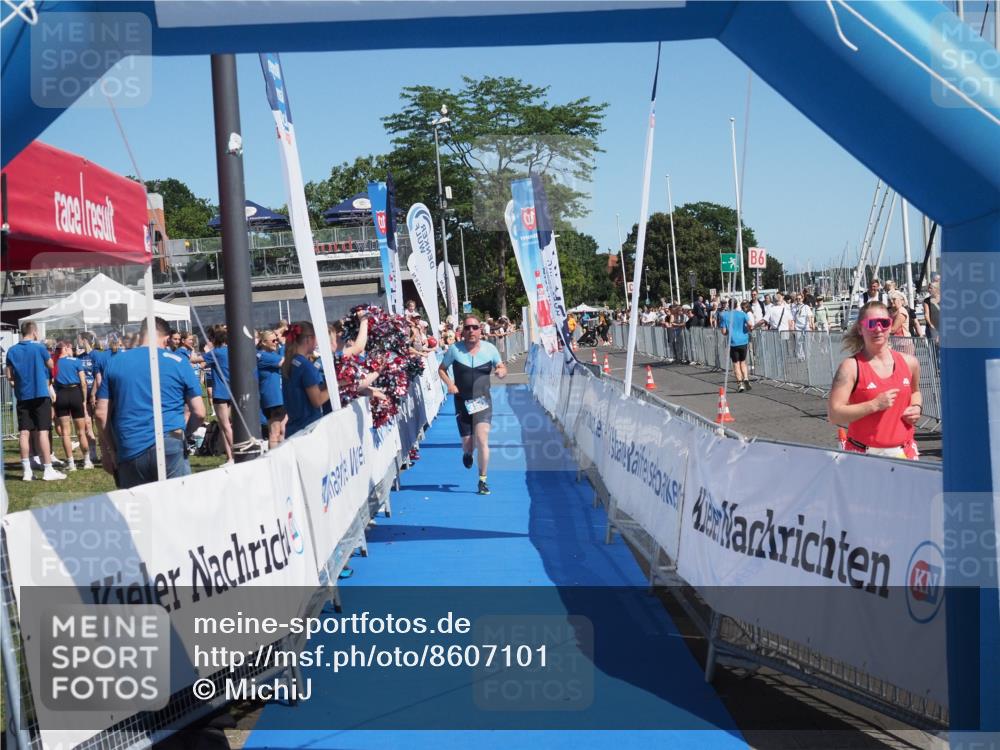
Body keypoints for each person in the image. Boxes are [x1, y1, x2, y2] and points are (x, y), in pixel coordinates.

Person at [94, 317, 206, 488]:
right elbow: (199, 412)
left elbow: (101, 414)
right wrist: (185, 433)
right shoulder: (179, 362)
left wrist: (109, 450)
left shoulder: (115, 362)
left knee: (138, 510)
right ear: (166, 338)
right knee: (176, 506)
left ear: (140, 334)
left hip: (129, 444)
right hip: (170, 441)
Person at [827, 301, 921, 460]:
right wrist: (874, 405)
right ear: (860, 328)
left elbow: (916, 392)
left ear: (890, 326)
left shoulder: (910, 362)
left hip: (905, 452)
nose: (878, 329)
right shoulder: (851, 367)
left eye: (884, 323)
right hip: (864, 456)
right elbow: (834, 414)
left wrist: (917, 407)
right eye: (871, 324)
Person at [437, 315, 507, 495]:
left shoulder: (490, 349)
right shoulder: (454, 350)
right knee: (469, 445)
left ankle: (482, 481)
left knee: (482, 439)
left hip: (483, 402)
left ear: (480, 330)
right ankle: (467, 454)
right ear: (462, 331)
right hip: (462, 402)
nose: (471, 331)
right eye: (467, 328)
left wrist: (501, 371)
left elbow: (501, 366)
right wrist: (450, 384)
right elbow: (441, 370)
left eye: (474, 327)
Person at [5, 322, 65, 481]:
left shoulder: (11, 350)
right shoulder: (39, 348)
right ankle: (48, 469)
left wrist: (18, 384)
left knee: (24, 433)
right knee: (43, 431)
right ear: (34, 332)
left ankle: (27, 471)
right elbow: (51, 365)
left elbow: (9, 376)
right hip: (40, 394)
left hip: (23, 396)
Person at [282, 321, 329, 437]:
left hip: (294, 429)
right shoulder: (305, 366)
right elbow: (317, 401)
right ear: (309, 339)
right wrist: (337, 384)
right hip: (307, 430)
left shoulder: (290, 362)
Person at [53, 340, 93, 470]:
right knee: (81, 431)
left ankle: (71, 464)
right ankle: (87, 461)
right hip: (75, 393)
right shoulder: (75, 361)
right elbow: (83, 383)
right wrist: (83, 399)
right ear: (65, 349)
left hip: (61, 394)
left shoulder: (54, 363)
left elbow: (51, 381)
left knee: (65, 432)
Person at [205, 326, 234, 463]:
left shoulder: (215, 353)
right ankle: (229, 457)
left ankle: (235, 454)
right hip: (232, 392)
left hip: (221, 393)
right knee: (225, 426)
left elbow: (194, 360)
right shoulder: (232, 351)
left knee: (225, 425)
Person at [256, 329, 286, 448]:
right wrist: (284, 344)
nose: (276, 343)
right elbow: (283, 362)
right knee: (274, 432)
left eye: (277, 340)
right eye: (273, 340)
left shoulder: (271, 354)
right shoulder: (263, 355)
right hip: (272, 398)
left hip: (277, 396)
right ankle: (273, 458)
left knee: (281, 431)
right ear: (263, 342)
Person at [719, 299, 752, 392]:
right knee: (743, 362)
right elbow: (750, 324)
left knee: (736, 363)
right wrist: (747, 330)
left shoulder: (724, 315)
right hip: (743, 341)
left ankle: (740, 384)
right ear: (737, 305)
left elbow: (724, 332)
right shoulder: (742, 314)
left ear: (728, 305)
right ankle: (745, 378)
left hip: (733, 342)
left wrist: (728, 333)